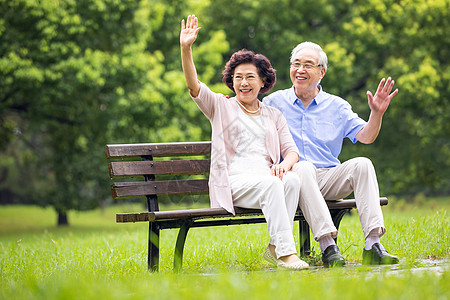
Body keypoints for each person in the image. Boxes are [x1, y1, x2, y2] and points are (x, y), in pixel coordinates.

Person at [180, 15, 308, 270]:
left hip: (264, 178)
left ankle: (274, 248)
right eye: (238, 77)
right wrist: (186, 49)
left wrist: (285, 165)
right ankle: (286, 254)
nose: (243, 83)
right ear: (231, 81)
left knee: (292, 179)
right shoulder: (220, 106)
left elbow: (291, 152)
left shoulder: (273, 115)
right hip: (234, 181)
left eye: (250, 77)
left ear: (263, 82)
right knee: (273, 184)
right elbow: (193, 86)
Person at [263, 41, 400, 267]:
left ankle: (373, 245)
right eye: (296, 64)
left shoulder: (337, 106)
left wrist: (377, 113)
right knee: (303, 167)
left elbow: (366, 136)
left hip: (328, 177)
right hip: (291, 181)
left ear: (322, 71)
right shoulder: (273, 103)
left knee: (363, 164)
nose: (300, 70)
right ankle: (328, 247)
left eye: (308, 65)